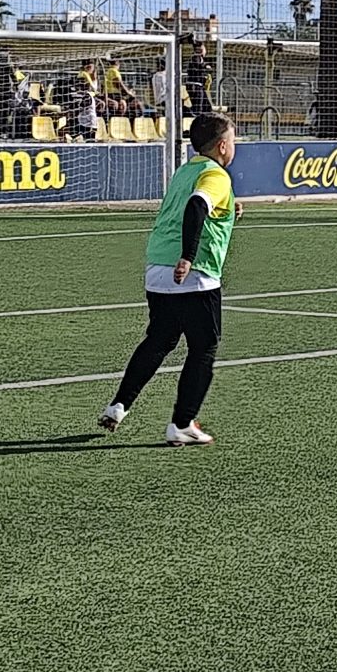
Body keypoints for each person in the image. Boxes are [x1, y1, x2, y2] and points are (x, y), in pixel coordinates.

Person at [98, 113, 239, 446]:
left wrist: (233, 208)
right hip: (193, 273)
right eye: (233, 140)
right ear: (222, 146)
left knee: (160, 340)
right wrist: (188, 256)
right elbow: (196, 206)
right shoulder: (216, 175)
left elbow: (193, 207)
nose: (235, 146)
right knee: (204, 348)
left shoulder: (185, 171)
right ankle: (182, 423)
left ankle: (119, 405)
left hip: (157, 267)